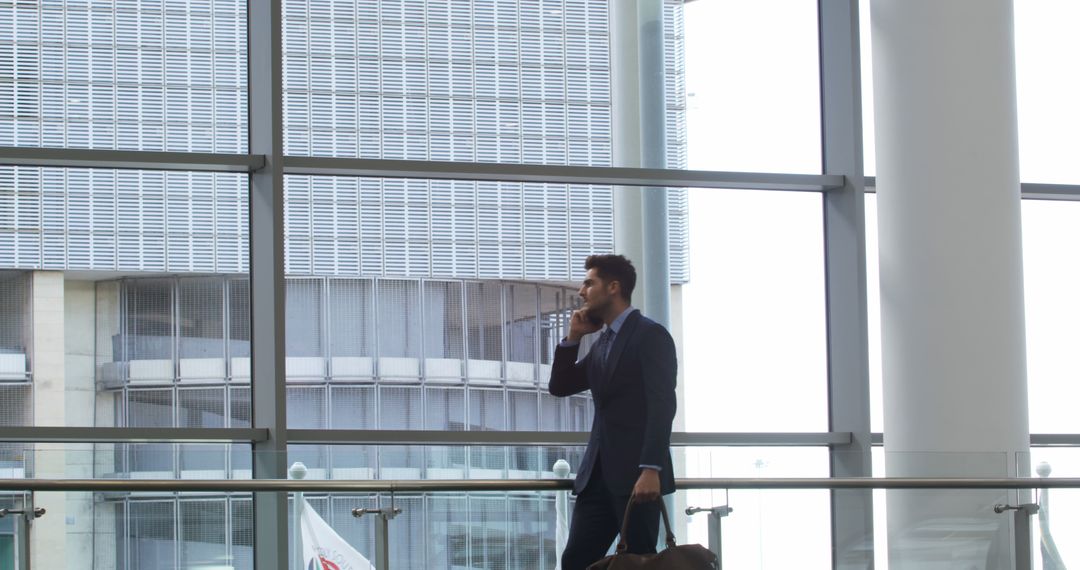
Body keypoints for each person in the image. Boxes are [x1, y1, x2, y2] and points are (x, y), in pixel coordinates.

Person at [549, 254, 678, 570]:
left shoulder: (649, 335)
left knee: (637, 562)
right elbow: (561, 385)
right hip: (596, 479)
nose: (582, 291)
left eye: (589, 283)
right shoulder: (602, 343)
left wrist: (651, 468)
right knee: (575, 561)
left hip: (637, 479)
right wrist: (573, 338)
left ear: (613, 287)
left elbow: (663, 404)